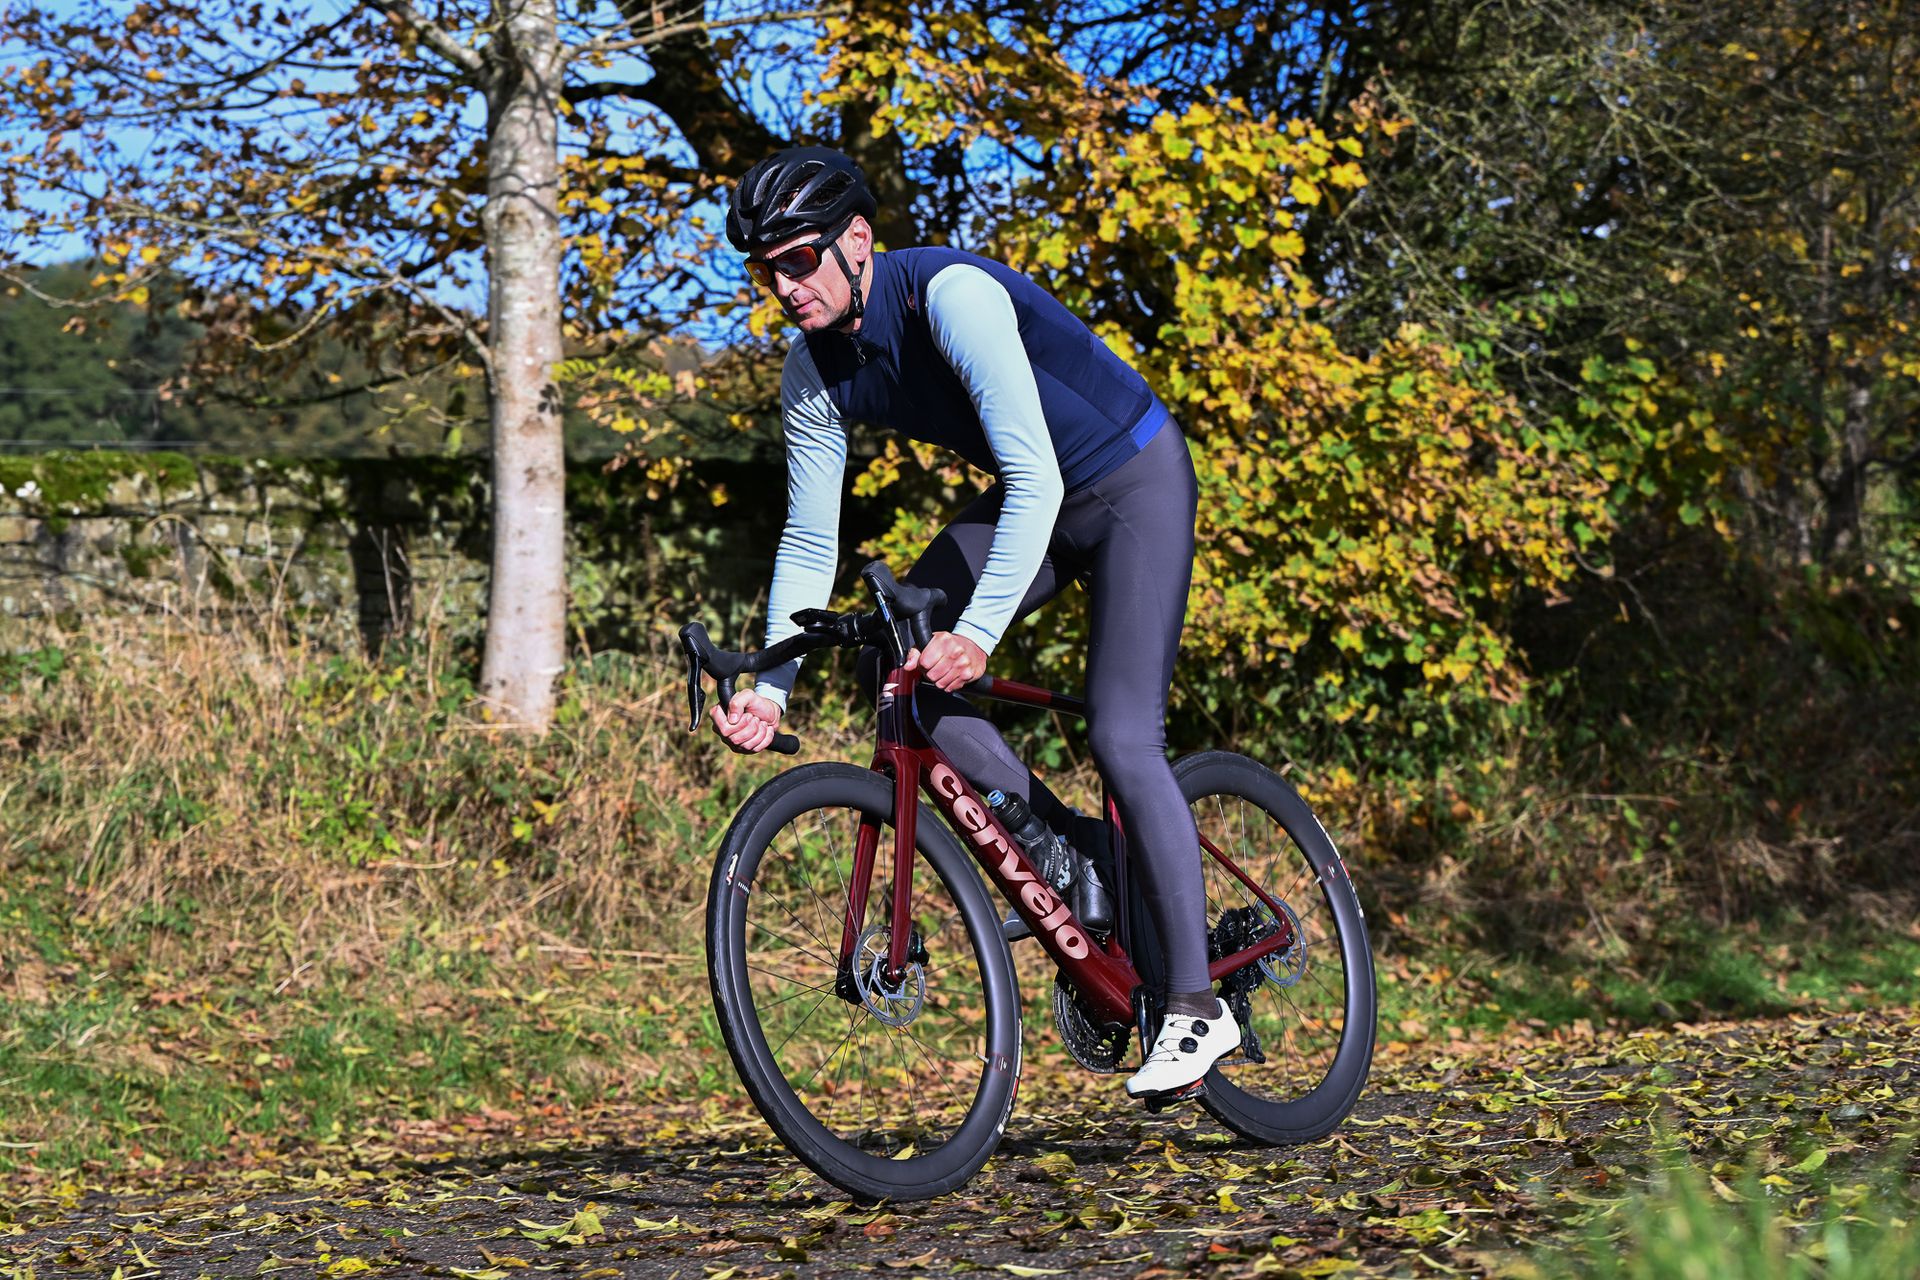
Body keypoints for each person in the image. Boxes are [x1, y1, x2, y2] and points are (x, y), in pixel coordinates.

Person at [708, 144, 1233, 1098]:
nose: (783, 287)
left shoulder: (951, 295)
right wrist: (770, 689)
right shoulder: (812, 372)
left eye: (797, 260)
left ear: (855, 241)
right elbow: (808, 539)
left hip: (1128, 484)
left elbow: (1035, 476)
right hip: (1035, 504)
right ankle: (1080, 856)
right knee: (898, 666)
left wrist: (979, 633)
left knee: (1122, 735)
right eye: (767, 269)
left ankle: (1197, 1007)